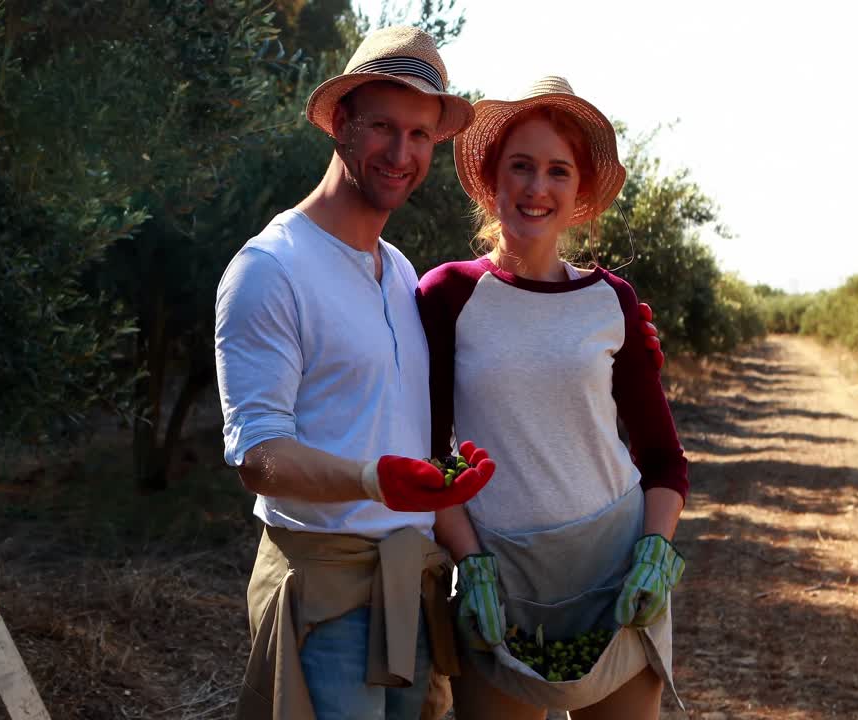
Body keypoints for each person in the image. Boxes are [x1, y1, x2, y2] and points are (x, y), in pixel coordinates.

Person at [214, 26, 498, 720]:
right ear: (340, 123)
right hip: (326, 597)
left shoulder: (400, 271)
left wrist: (598, 315)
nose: (401, 154)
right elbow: (259, 456)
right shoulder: (270, 269)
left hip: (414, 585)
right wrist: (373, 480)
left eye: (421, 136)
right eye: (383, 128)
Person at [416, 76, 689, 719]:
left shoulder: (612, 300)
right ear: (492, 177)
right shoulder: (447, 295)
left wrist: (655, 549)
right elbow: (429, 455)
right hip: (500, 578)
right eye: (521, 166)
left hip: (616, 570)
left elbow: (662, 457)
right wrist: (470, 560)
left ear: (580, 193)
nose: (538, 187)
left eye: (558, 171)